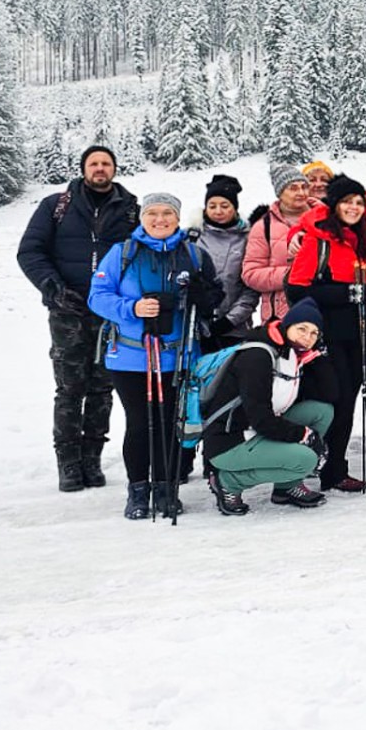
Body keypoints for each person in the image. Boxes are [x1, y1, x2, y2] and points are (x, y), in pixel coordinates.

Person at [87, 192, 220, 520]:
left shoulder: (193, 254)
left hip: (178, 356)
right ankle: (137, 490)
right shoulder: (122, 254)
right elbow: (97, 297)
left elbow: (214, 297)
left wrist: (200, 297)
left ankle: (166, 488)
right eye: (153, 214)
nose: (160, 220)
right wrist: (131, 308)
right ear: (142, 218)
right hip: (131, 356)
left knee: (169, 424)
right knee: (138, 424)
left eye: (167, 214)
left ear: (177, 218)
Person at [16, 144, 139, 492]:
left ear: (114, 169)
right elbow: (30, 251)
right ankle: (68, 463)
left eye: (106, 164)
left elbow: (141, 253)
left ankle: (92, 459)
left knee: (103, 387)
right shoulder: (56, 206)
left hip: (111, 314)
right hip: (67, 310)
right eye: (94, 163)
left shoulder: (130, 210)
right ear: (84, 168)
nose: (100, 169)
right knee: (70, 388)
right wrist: (52, 288)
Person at [201, 297, 335, 515]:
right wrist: (302, 434)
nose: (307, 337)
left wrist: (317, 357)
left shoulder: (290, 352)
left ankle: (287, 487)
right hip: (230, 439)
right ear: (287, 325)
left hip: (257, 428)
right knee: (307, 459)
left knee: (321, 412)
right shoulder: (258, 355)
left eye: (314, 333)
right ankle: (228, 481)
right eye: (302, 328)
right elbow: (259, 417)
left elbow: (331, 394)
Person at [285, 174, 366, 492]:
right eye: (347, 201)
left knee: (347, 400)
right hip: (323, 338)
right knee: (330, 401)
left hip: (355, 336)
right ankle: (312, 465)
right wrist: (346, 293)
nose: (354, 207)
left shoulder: (360, 236)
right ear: (334, 205)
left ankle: (334, 468)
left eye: (359, 202)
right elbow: (296, 288)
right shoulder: (318, 238)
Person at [195, 174, 259, 350]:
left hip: (235, 329)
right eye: (212, 206)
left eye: (225, 206)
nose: (218, 211)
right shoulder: (192, 237)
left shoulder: (248, 239)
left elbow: (251, 288)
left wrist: (230, 320)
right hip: (195, 328)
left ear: (235, 208)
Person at [243, 168, 315, 323]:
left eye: (304, 187)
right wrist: (291, 275)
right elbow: (250, 274)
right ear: (280, 193)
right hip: (280, 317)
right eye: (293, 188)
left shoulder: (324, 219)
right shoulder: (263, 226)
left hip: (319, 308)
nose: (301, 192)